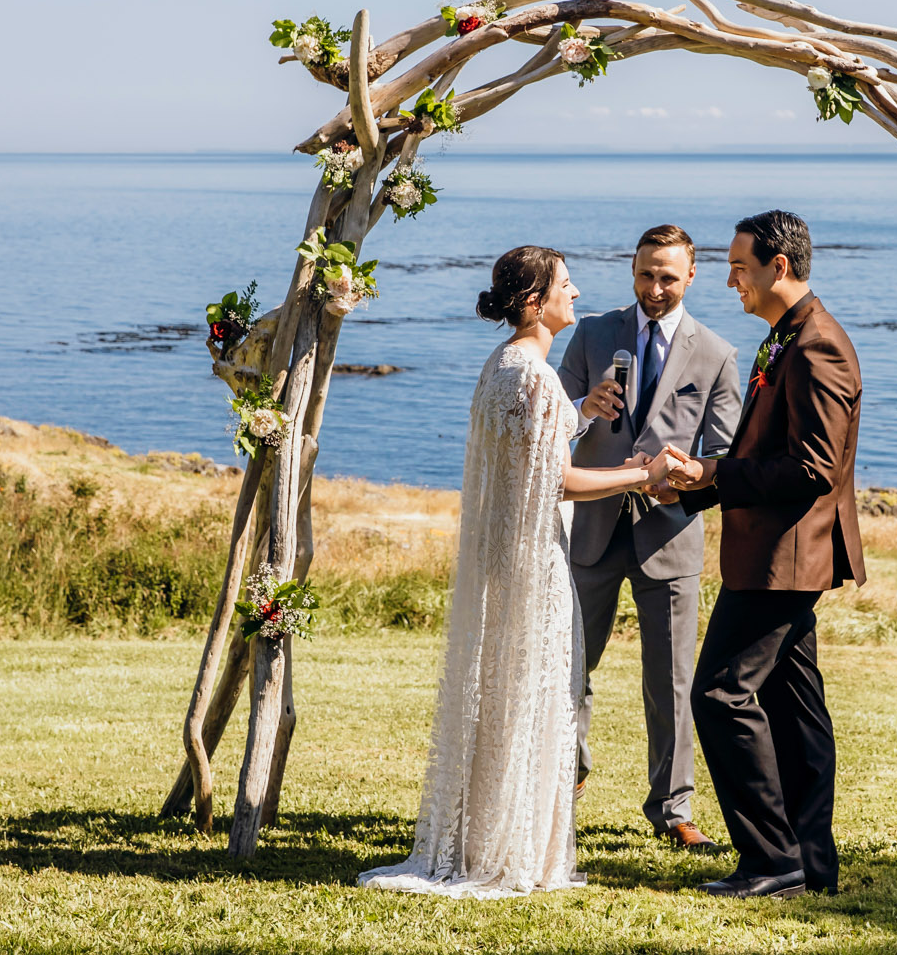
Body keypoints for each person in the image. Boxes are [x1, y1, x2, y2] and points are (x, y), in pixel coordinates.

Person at [358, 246, 686, 899]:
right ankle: (511, 849)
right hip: (534, 558)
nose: (577, 291)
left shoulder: (505, 364)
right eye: (565, 283)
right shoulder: (532, 376)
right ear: (535, 302)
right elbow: (556, 480)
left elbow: (533, 447)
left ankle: (496, 836)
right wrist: (642, 474)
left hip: (507, 556)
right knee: (532, 696)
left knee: (510, 697)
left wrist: (584, 410)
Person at [656, 210, 866, 899]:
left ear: (780, 266)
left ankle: (772, 860)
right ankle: (808, 862)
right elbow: (769, 452)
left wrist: (713, 476)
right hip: (771, 554)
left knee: (718, 692)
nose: (728, 279)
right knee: (792, 704)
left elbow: (813, 467)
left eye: (739, 265)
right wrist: (706, 477)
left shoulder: (816, 346)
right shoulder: (786, 337)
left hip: (787, 557)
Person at [556, 224, 742, 851]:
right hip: (591, 530)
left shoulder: (716, 353)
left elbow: (722, 453)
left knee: (672, 680)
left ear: (691, 276)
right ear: (631, 272)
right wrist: (584, 408)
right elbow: (548, 431)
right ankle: (564, 779)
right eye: (645, 275)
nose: (655, 288)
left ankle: (673, 808)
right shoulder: (592, 334)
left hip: (669, 534)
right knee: (567, 666)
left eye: (667, 276)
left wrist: (683, 482)